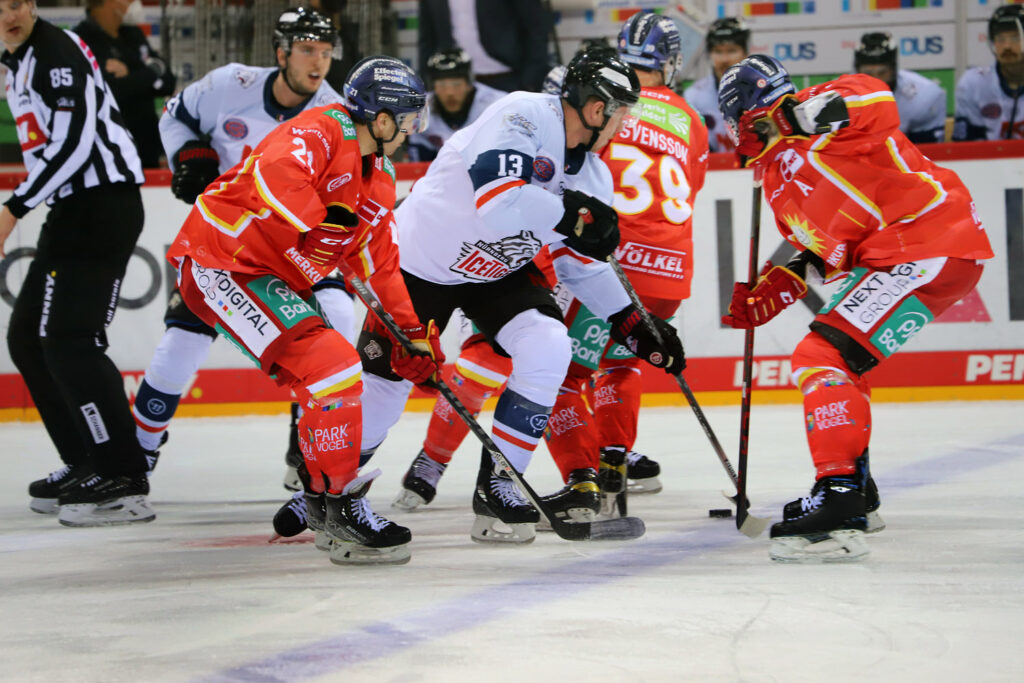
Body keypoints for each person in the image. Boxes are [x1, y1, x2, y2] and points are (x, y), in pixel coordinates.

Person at [356, 48, 684, 545]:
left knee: (549, 345)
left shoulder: (594, 174)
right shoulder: (525, 113)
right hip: (418, 263)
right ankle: (330, 487)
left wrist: (631, 321)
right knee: (385, 386)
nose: (623, 124)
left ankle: (500, 486)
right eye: (621, 112)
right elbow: (499, 200)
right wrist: (572, 215)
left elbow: (578, 263)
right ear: (597, 109)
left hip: (497, 272)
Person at [717, 55, 994, 562]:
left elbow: (876, 99)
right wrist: (778, 285)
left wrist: (789, 118)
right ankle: (856, 492)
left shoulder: (822, 111)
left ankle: (839, 495)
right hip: (901, 256)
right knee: (842, 363)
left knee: (819, 356)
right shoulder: (776, 181)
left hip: (930, 240)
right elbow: (831, 250)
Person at [165, 55, 439, 566]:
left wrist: (411, 334)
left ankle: (320, 495)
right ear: (380, 119)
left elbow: (379, 264)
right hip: (223, 261)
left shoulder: (378, 176)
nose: (411, 130)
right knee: (334, 363)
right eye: (407, 118)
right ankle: (340, 502)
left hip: (265, 277)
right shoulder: (322, 126)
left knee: (329, 374)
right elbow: (275, 172)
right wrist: (322, 217)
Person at [131, 7, 352, 493]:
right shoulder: (231, 84)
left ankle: (306, 447)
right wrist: (188, 155)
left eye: (326, 52)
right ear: (282, 53)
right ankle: (137, 457)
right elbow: (175, 116)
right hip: (225, 252)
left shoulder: (336, 114)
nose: (318, 62)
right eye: (307, 51)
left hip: (293, 259)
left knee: (339, 321)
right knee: (178, 347)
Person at [0, 0, 151, 526]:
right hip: (73, 207)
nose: (9, 13)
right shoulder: (15, 60)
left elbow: (74, 141)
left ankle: (122, 475)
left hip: (101, 204)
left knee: (71, 341)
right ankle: (86, 459)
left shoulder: (55, 52)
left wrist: (12, 208)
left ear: (34, 5)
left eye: (17, 2)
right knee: (27, 340)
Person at [73, 0, 176, 168]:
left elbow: (168, 81)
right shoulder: (81, 39)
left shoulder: (133, 34)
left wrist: (130, 71)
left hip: (147, 148)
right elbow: (111, 91)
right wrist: (151, 71)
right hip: (108, 154)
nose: (134, 3)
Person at [417, 0, 553, 92]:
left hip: (507, 78)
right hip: (454, 85)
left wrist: (529, 80)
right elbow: (427, 38)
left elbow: (536, 28)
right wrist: (425, 85)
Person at [406, 48, 504, 162]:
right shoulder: (419, 110)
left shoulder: (497, 104)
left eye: (456, 85)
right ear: (433, 86)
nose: (449, 93)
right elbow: (419, 163)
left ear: (469, 84)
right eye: (442, 85)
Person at [853, 32, 946, 144]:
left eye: (882, 73)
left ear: (893, 69)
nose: (875, 80)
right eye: (868, 73)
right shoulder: (839, 98)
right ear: (857, 72)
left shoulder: (924, 96)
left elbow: (927, 154)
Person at [953, 5, 1024, 141]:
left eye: (1015, 38)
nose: (1007, 46)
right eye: (1000, 39)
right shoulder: (973, 84)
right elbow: (967, 148)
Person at [684, 17, 749, 153]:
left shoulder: (768, 88)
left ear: (745, 53)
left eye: (731, 51)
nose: (724, 59)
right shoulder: (693, 96)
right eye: (718, 52)